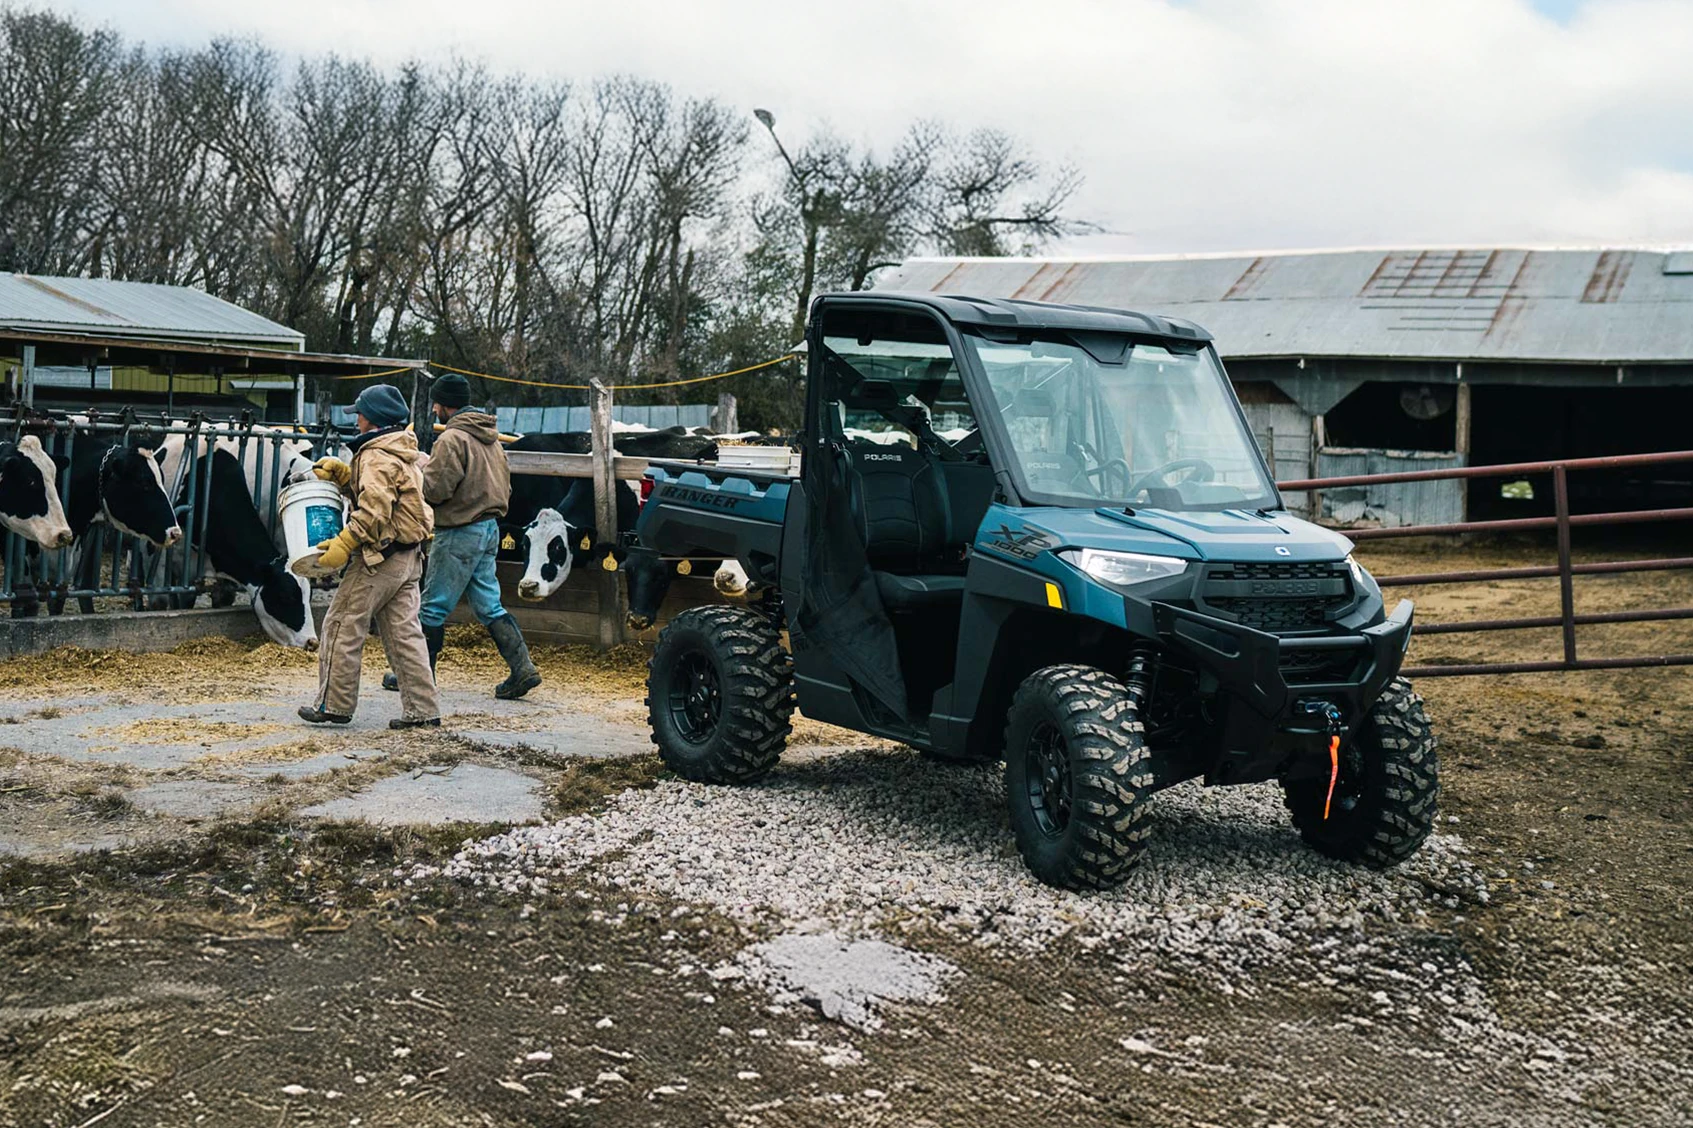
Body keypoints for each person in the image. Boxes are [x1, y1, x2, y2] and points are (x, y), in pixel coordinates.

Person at [383, 372, 541, 699]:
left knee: (433, 607)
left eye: (436, 404)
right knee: (488, 604)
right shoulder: (491, 439)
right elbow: (505, 486)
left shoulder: (452, 440)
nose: (434, 411)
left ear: (443, 404)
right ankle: (523, 668)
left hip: (459, 532)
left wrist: (421, 472)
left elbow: (437, 490)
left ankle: (416, 677)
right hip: (489, 529)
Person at [297, 383, 440, 729]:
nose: (356, 419)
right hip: (409, 560)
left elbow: (374, 511)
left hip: (379, 559)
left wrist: (345, 543)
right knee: (406, 635)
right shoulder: (401, 451)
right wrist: (347, 478)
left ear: (371, 419)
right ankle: (424, 710)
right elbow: (388, 498)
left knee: (341, 623)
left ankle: (334, 704)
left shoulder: (375, 456)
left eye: (359, 413)